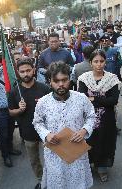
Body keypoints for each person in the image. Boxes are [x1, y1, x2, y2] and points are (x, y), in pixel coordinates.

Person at [33, 61, 96, 189]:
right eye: (56, 81)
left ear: (70, 79)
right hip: (54, 154)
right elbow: (37, 122)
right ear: (50, 82)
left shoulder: (81, 98)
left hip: (77, 152)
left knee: (78, 183)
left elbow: (91, 116)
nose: (61, 84)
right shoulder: (42, 103)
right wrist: (46, 134)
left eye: (64, 80)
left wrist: (84, 130)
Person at [78, 49, 120, 182]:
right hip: (88, 118)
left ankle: (102, 168)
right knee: (88, 141)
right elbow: (82, 99)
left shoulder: (112, 79)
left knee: (104, 141)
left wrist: (94, 99)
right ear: (90, 63)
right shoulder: (84, 78)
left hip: (106, 118)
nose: (99, 64)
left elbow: (113, 100)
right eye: (96, 61)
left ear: (105, 62)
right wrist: (101, 100)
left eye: (101, 61)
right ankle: (89, 166)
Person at [8, 58, 50, 189]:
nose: (25, 74)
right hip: (27, 133)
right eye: (22, 72)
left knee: (51, 159)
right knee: (34, 161)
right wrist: (19, 110)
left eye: (28, 70)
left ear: (33, 70)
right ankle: (41, 181)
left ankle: (53, 179)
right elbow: (10, 112)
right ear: (18, 73)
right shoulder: (15, 92)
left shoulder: (44, 88)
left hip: (46, 132)